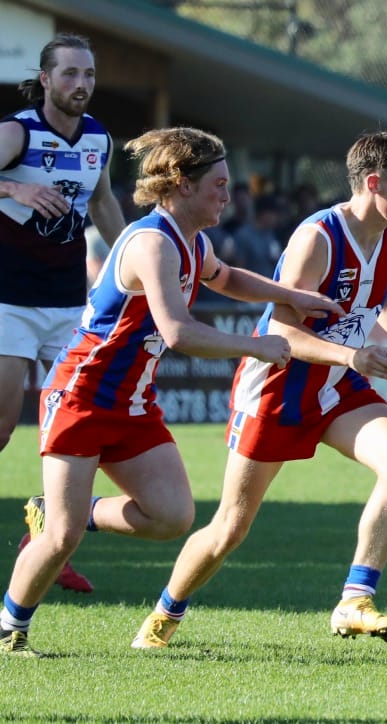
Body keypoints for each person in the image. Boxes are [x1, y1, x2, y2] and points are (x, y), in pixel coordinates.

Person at [130, 131, 387, 650]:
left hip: (337, 383)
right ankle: (163, 617)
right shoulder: (318, 237)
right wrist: (352, 355)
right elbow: (284, 333)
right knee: (230, 527)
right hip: (278, 385)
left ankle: (355, 600)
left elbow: (385, 298)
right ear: (373, 183)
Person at [0, 126, 341, 658]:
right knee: (61, 539)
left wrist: (291, 295)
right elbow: (178, 332)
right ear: (183, 184)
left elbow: (225, 278)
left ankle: (70, 511)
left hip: (131, 404)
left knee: (171, 516)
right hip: (81, 396)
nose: (228, 195)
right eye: (219, 184)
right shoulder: (152, 243)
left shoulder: (192, 241)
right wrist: (256, 347)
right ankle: (9, 630)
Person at [0, 33, 129, 594]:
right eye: (70, 73)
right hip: (8, 300)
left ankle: (49, 537)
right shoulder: (18, 131)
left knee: (82, 426)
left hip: (69, 305)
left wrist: (136, 259)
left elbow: (102, 201)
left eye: (89, 74)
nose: (81, 83)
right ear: (46, 79)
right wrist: (14, 189)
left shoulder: (98, 137)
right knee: (2, 427)